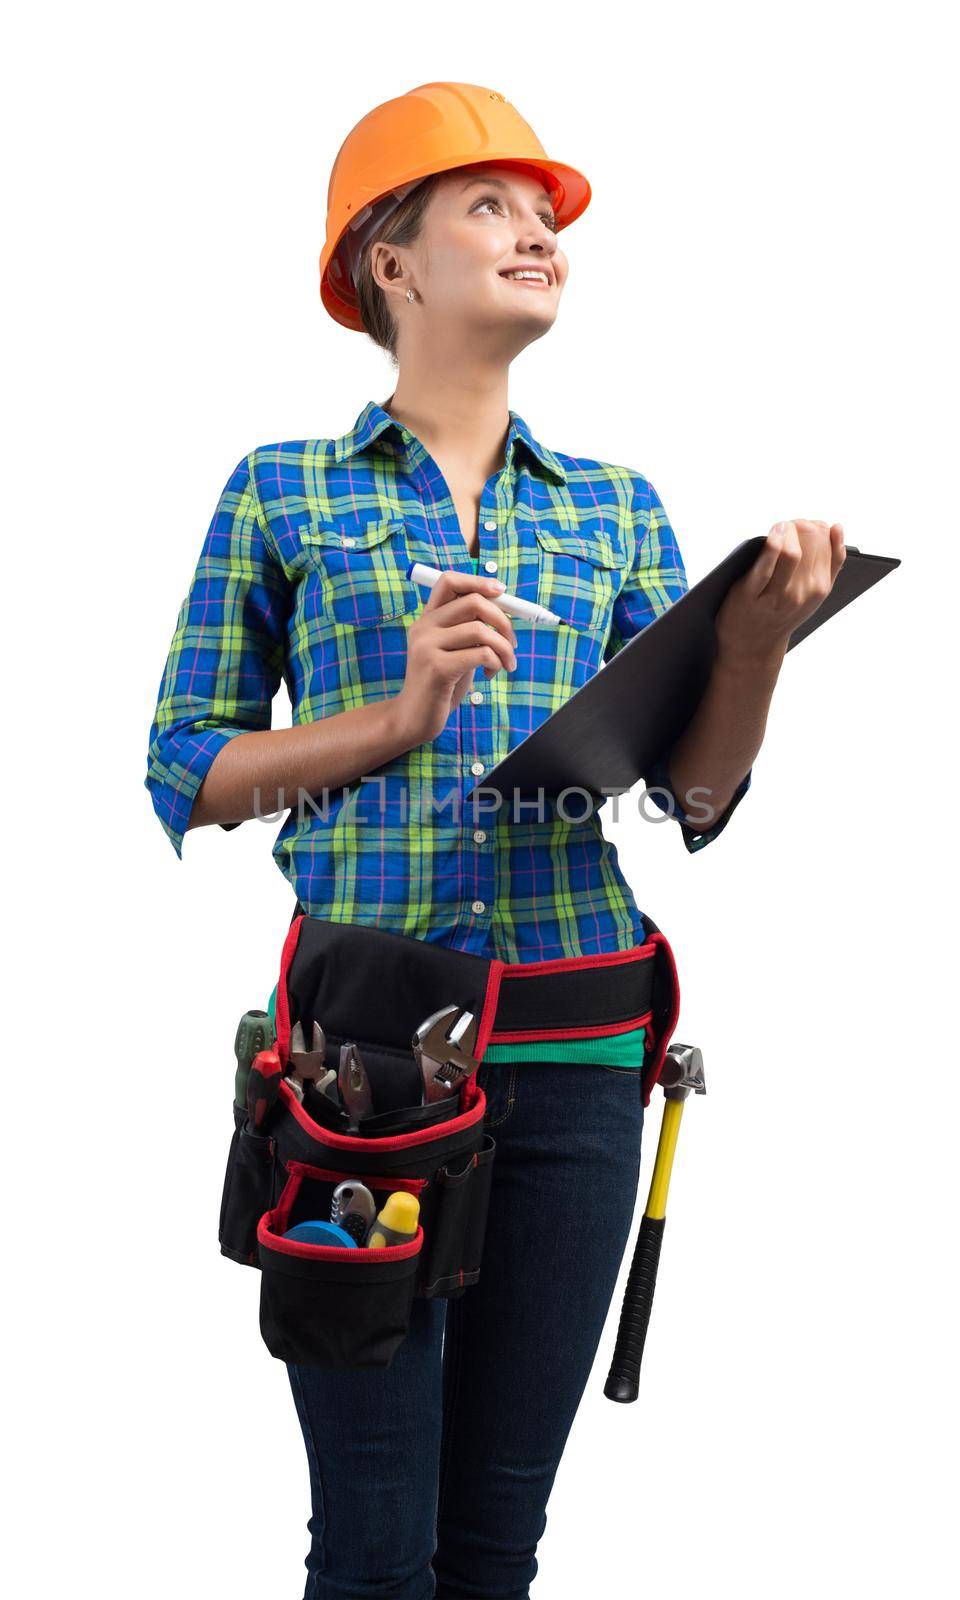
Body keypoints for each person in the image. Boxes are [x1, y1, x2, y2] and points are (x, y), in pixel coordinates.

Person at [146, 82, 845, 1600]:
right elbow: (185, 769)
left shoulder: (615, 508)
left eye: (547, 218)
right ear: (387, 262)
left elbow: (696, 800)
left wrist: (760, 648)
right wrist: (391, 721)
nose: (537, 235)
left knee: (494, 1544)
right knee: (378, 1544)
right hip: (366, 1061)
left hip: (586, 1052)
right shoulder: (286, 492)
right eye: (490, 207)